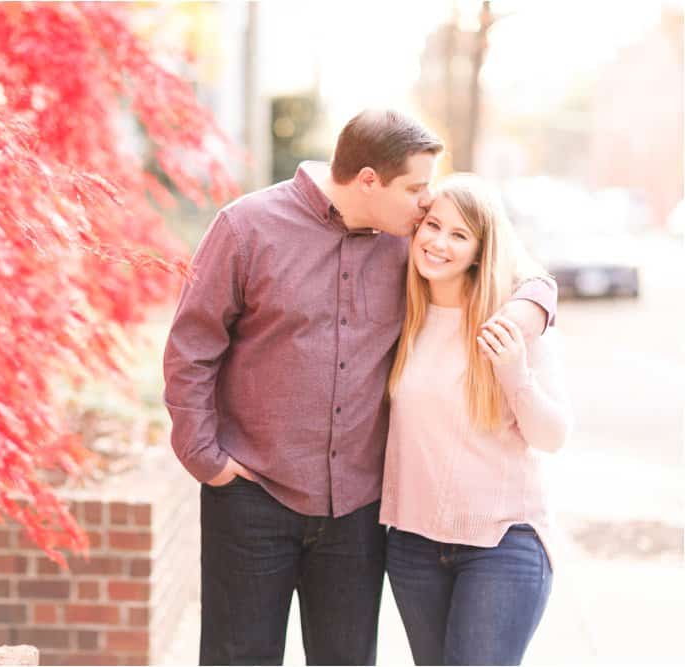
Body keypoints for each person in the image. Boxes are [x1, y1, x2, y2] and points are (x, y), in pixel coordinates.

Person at [163, 109, 557, 665]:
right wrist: (205, 456)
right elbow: (191, 346)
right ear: (369, 180)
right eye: (417, 189)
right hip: (251, 496)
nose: (427, 203)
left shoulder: (410, 244)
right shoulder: (245, 227)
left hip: (355, 512)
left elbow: (519, 269)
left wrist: (526, 312)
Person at [381, 174, 573, 665]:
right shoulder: (401, 317)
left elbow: (552, 437)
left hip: (502, 543)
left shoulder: (513, 324)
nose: (438, 243)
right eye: (432, 225)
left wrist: (513, 372)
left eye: (459, 235)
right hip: (413, 545)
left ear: (480, 251)